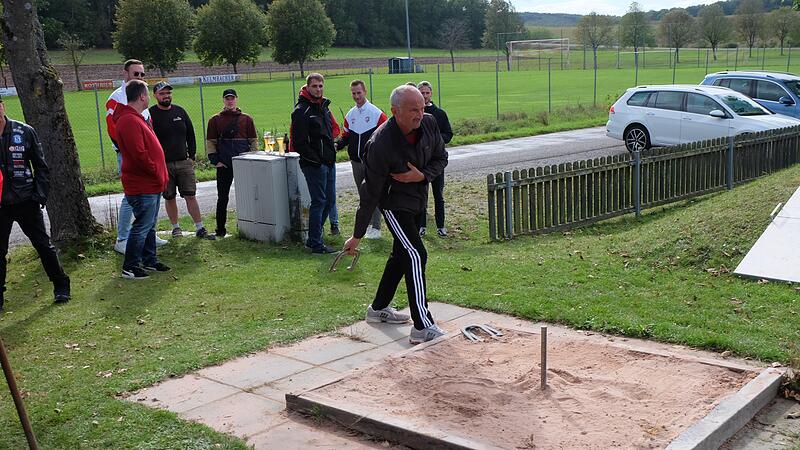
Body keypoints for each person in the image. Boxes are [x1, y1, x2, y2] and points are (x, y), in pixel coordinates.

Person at [343, 85, 448, 345]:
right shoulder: (380, 144)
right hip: (393, 204)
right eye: (413, 110)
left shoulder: (429, 123)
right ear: (395, 111)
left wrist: (421, 176)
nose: (419, 114)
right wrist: (357, 236)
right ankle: (422, 325)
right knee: (416, 254)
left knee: (401, 256)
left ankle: (378, 308)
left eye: (422, 108)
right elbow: (369, 194)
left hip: (417, 200)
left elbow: (441, 158)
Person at [0, 96, 71, 309]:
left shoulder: (24, 131)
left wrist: (39, 196)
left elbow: (41, 166)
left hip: (26, 201)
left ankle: (61, 285)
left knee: (43, 245)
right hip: (1, 205)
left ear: (2, 106)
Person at [106, 59, 168, 253]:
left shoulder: (142, 94)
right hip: (130, 154)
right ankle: (123, 238)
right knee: (131, 196)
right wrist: (127, 151)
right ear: (125, 74)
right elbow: (112, 128)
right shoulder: (117, 97)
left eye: (142, 74)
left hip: (144, 153)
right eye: (136, 74)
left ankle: (150, 233)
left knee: (154, 193)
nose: (140, 77)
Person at [113, 80, 170, 279]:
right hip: (143, 184)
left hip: (151, 183)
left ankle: (149, 259)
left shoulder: (136, 118)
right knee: (142, 226)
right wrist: (156, 171)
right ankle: (130, 266)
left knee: (149, 225)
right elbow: (139, 154)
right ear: (142, 96)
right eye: (147, 94)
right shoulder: (128, 120)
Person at [148, 82, 213, 240]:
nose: (166, 96)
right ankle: (176, 227)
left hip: (184, 162)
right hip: (163, 165)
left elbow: (190, 134)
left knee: (190, 195)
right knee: (169, 197)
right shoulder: (150, 114)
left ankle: (200, 227)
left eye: (168, 93)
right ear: (155, 95)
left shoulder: (180, 111)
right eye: (162, 94)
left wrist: (192, 156)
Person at [290, 73, 341, 254]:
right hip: (314, 165)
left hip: (329, 162)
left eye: (320, 86)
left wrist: (332, 153)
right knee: (319, 201)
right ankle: (315, 242)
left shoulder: (324, 108)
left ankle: (315, 236)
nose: (318, 89)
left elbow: (330, 133)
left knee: (329, 201)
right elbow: (299, 142)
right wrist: (316, 161)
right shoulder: (301, 111)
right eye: (314, 86)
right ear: (307, 87)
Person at [337, 79, 387, 240]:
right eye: (353, 93)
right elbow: (346, 136)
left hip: (372, 163)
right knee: (363, 196)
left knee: (373, 194)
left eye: (359, 93)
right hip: (356, 162)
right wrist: (336, 145)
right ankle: (366, 226)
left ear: (365, 92)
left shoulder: (377, 114)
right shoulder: (350, 114)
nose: (357, 96)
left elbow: (386, 137)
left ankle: (376, 227)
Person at [205, 89, 258, 238]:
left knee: (248, 197)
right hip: (224, 164)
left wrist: (252, 158)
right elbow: (211, 142)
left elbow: (253, 141)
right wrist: (215, 161)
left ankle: (249, 227)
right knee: (223, 198)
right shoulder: (214, 120)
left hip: (243, 164)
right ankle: (220, 229)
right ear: (223, 100)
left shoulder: (247, 119)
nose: (230, 101)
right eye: (227, 98)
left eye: (232, 98)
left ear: (236, 99)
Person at [416, 81, 453, 238]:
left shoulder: (440, 114)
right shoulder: (415, 113)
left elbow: (448, 134)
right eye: (422, 93)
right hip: (421, 162)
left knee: (438, 195)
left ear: (431, 94)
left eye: (427, 93)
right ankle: (421, 226)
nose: (424, 96)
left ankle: (441, 226)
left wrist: (435, 140)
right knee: (421, 195)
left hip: (436, 161)